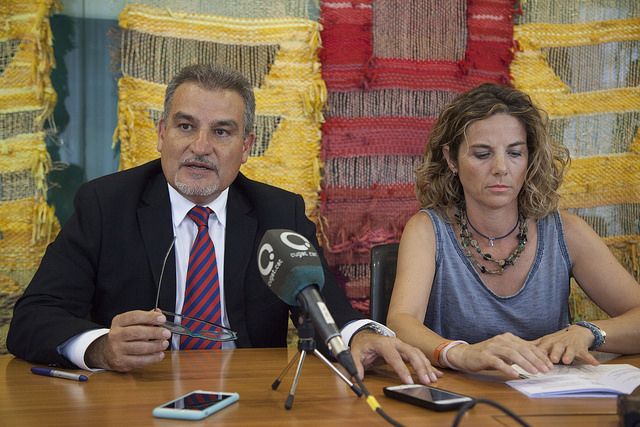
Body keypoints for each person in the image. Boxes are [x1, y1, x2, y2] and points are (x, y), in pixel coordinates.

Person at [8, 64, 438, 385]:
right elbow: (32, 319)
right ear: (160, 134)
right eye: (185, 126)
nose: (200, 147)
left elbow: (327, 309)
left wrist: (358, 335)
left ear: (246, 146)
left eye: (221, 132)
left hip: (250, 398)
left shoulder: (279, 213)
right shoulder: (106, 204)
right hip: (136, 397)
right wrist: (101, 347)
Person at [386, 83, 640, 379]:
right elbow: (401, 322)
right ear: (452, 159)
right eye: (482, 154)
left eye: (515, 153)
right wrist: (461, 353)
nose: (500, 168)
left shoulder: (566, 232)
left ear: (530, 158)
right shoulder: (427, 230)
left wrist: (589, 332)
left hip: (550, 399)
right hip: (459, 396)